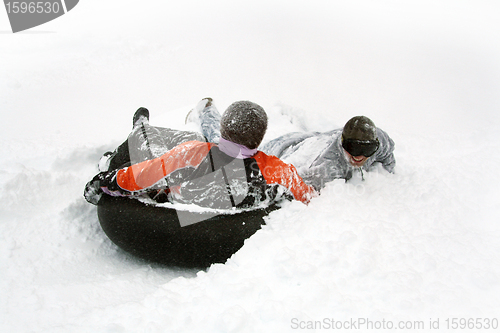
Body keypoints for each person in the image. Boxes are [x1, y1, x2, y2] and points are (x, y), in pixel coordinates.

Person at [84, 99, 317, 209]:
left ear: (224, 128)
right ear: (261, 136)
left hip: (175, 203)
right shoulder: (278, 171)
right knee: (190, 142)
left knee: (147, 143)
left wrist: (105, 180)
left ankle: (140, 128)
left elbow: (140, 178)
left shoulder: (193, 155)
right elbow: (307, 196)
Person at [260, 115, 396, 190]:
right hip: (307, 145)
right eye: (353, 148)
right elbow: (291, 186)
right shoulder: (327, 168)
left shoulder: (381, 140)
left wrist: (387, 173)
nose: (359, 155)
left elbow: (388, 157)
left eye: (367, 149)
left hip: (330, 135)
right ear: (343, 144)